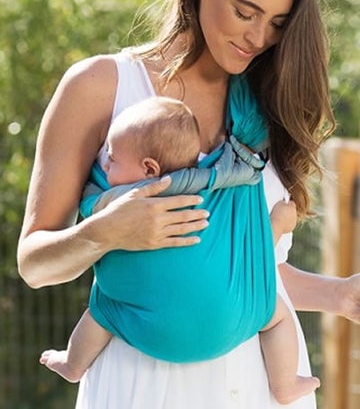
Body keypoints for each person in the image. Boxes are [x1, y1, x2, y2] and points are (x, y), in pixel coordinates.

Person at [17, 0, 360, 409]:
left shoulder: (267, 105)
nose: (257, 38)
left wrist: (338, 296)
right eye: (245, 12)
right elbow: (35, 264)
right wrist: (106, 232)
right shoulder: (102, 87)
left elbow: (234, 268)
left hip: (260, 384)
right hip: (142, 381)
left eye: (277, 24)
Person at [39, 96, 319, 404]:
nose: (105, 165)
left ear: (149, 168)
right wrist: (277, 223)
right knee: (276, 316)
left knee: (102, 312)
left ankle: (73, 363)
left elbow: (89, 202)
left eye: (112, 159)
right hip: (225, 328)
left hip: (148, 332)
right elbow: (247, 259)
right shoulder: (213, 192)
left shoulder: (112, 203)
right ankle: (285, 383)